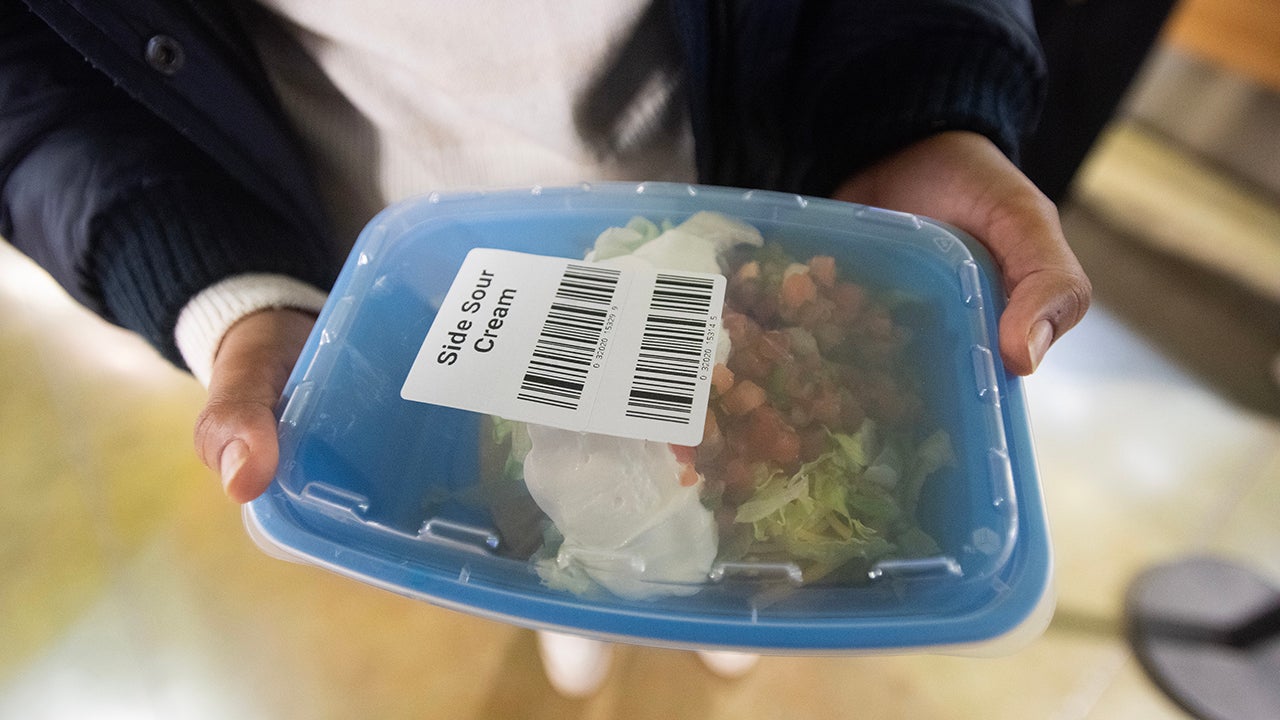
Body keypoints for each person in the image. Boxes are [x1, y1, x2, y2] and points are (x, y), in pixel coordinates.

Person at [1, 0, 1090, 698]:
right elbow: (28, 79)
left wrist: (915, 101)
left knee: (741, 571)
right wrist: (219, 280)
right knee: (522, 519)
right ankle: (571, 612)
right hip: (407, 265)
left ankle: (721, 626)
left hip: (749, 177)